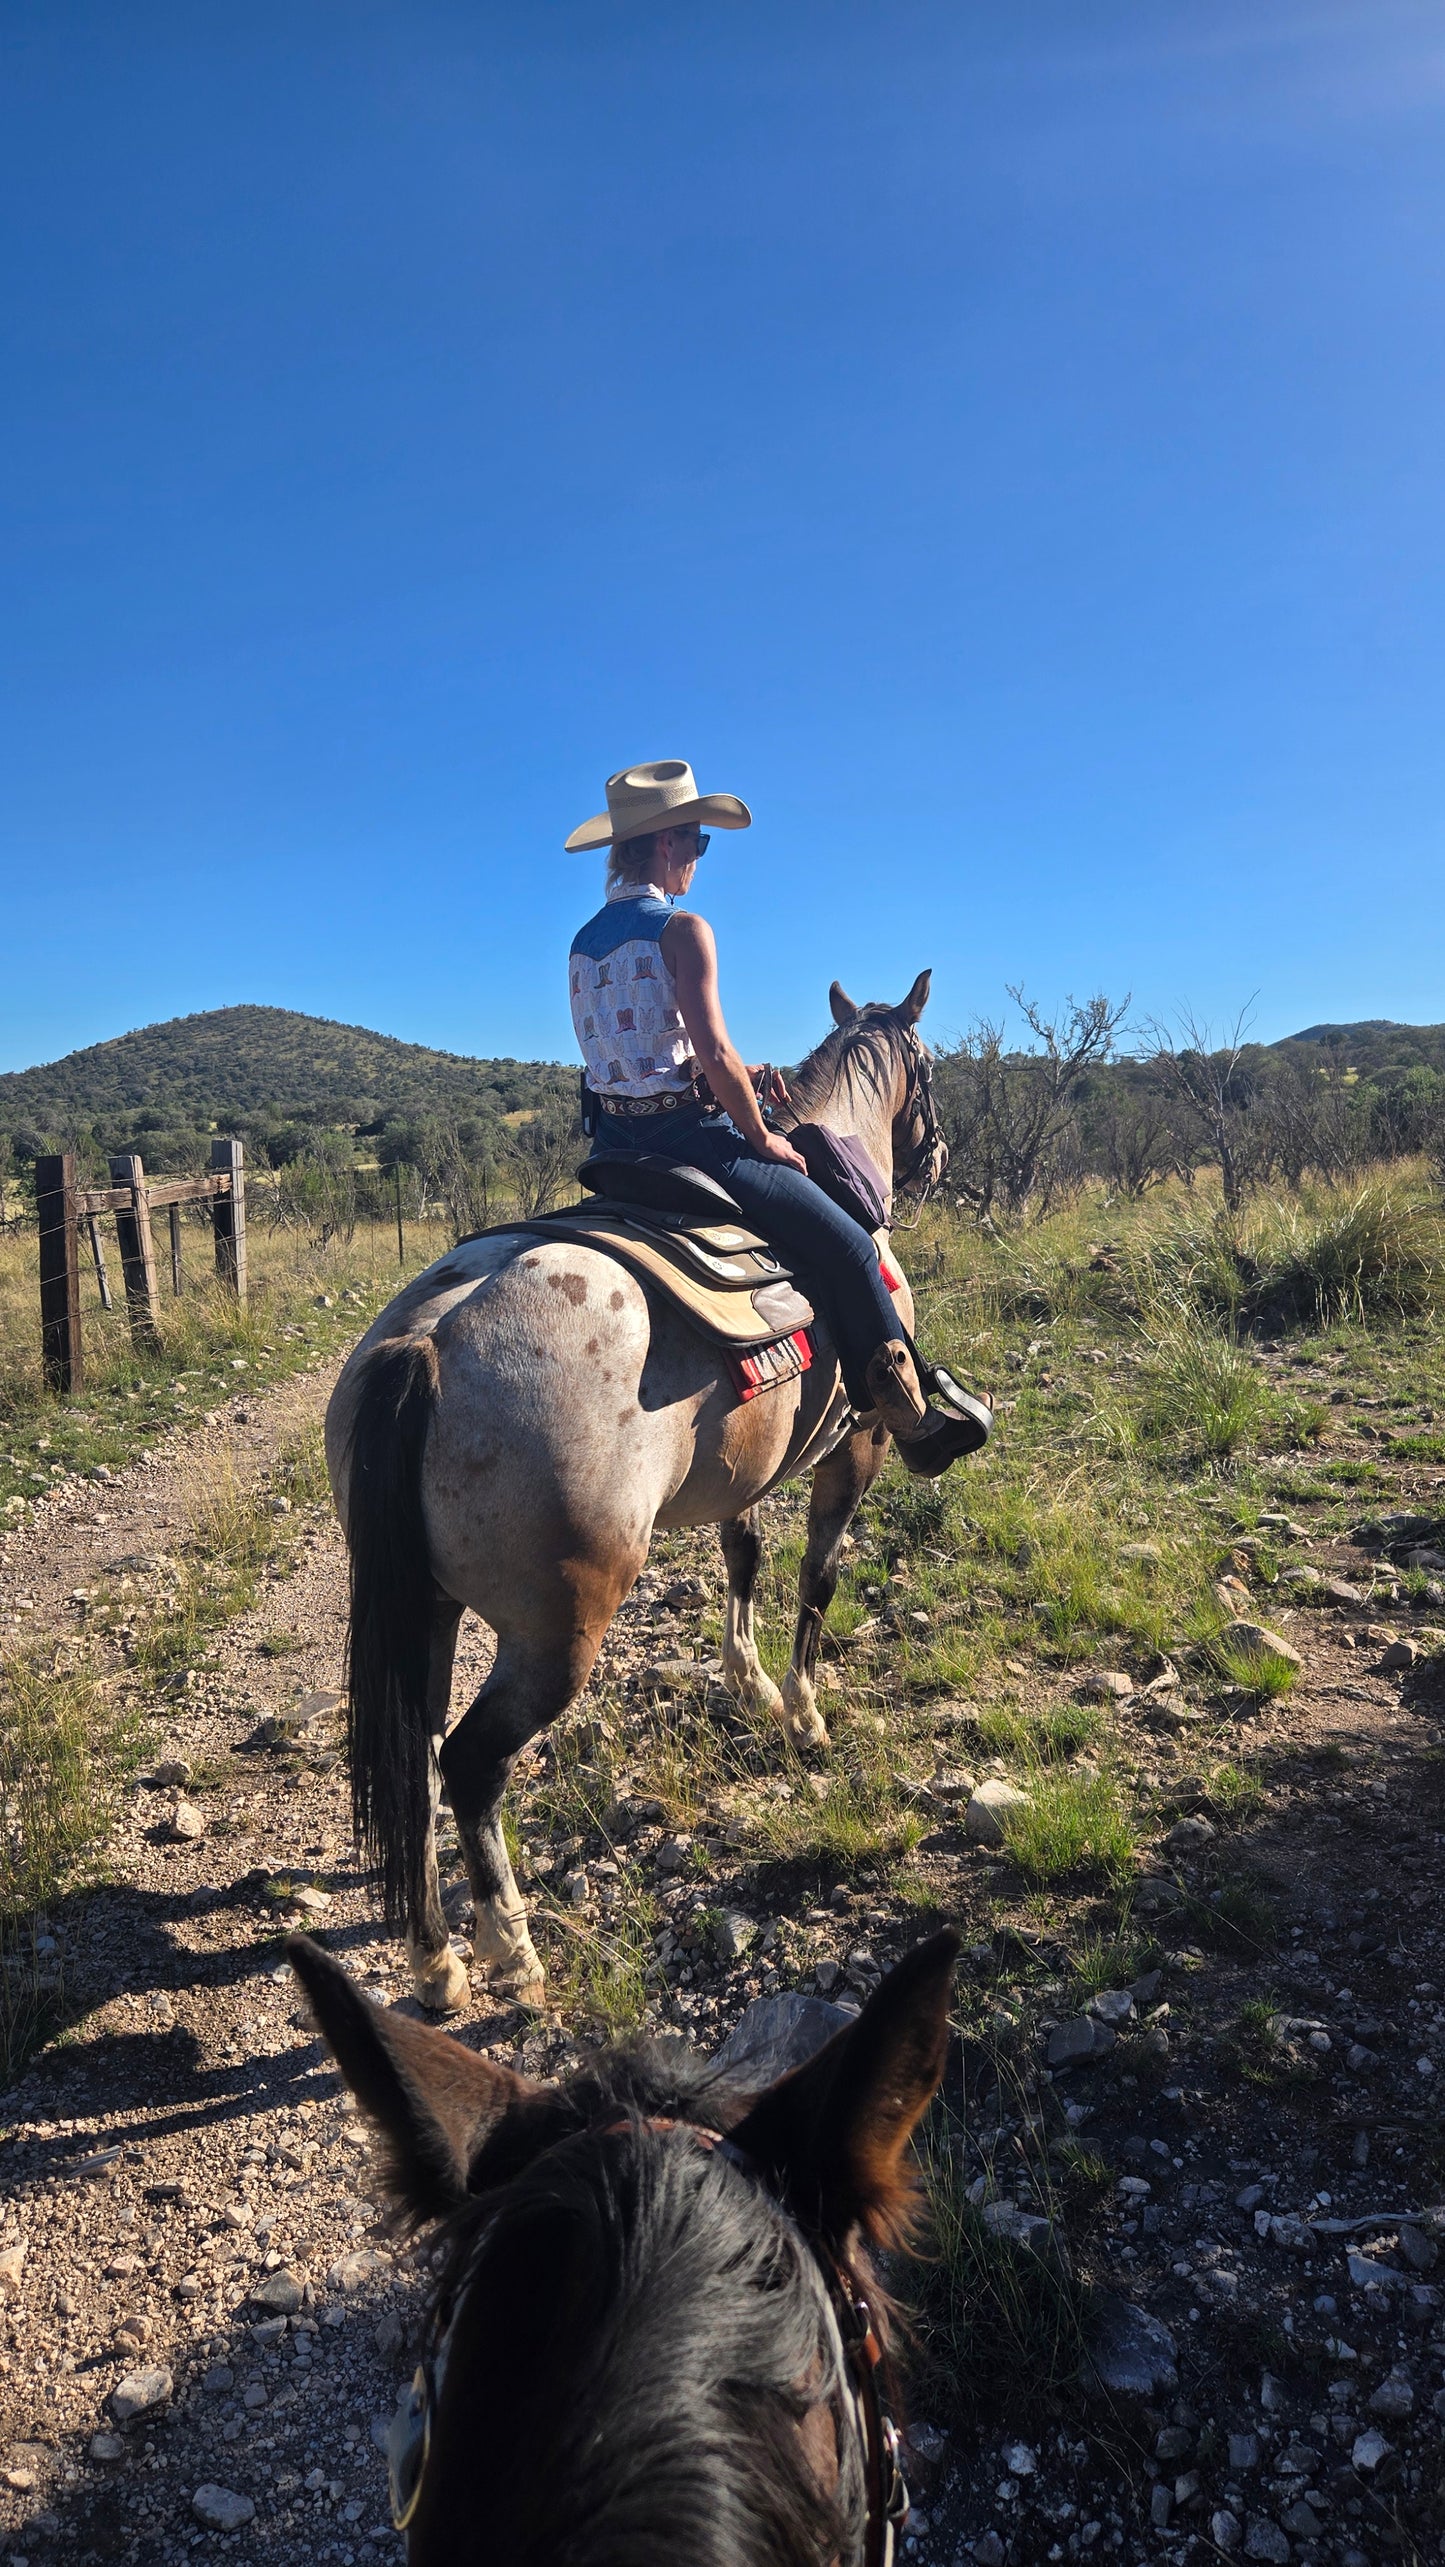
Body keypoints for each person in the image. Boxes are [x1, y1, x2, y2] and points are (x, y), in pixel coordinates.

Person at [566, 760, 982, 1473]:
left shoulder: (582, 944)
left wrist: (714, 1073)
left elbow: (638, 1057)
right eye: (696, 842)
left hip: (613, 1147)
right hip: (692, 1145)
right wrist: (759, 1133)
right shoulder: (682, 929)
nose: (698, 857)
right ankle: (910, 1420)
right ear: (664, 843)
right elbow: (716, 1050)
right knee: (852, 1245)